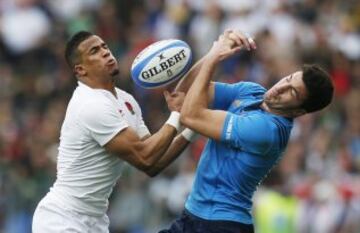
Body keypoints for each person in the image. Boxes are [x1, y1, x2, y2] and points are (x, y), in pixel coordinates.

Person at [160, 29, 334, 233]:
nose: (280, 88)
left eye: (292, 92)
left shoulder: (268, 131)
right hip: (192, 216)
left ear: (299, 111)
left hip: (221, 225)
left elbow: (190, 115)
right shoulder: (251, 92)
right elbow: (182, 96)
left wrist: (215, 58)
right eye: (288, 79)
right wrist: (214, 52)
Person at [32, 31, 194, 233]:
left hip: (96, 220)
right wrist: (178, 115)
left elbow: (154, 163)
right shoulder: (90, 104)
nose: (105, 53)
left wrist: (191, 129)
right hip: (62, 218)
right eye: (94, 51)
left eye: (104, 47)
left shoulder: (125, 100)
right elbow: (145, 157)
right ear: (80, 70)